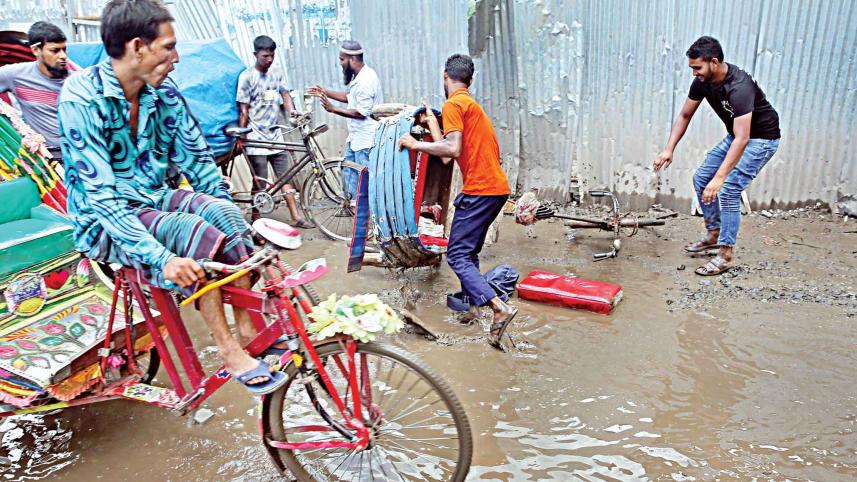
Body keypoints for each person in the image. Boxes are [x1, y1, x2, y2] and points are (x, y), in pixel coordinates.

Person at [58, 0, 286, 394]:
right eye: (168, 47)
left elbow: (198, 163)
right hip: (103, 221)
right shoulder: (81, 99)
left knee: (225, 216)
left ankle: (248, 325)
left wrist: (230, 222)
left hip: (153, 197)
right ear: (136, 47)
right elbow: (103, 199)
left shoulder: (164, 94)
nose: (176, 58)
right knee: (190, 232)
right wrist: (163, 259)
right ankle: (227, 347)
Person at [397, 54, 517, 348]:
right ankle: (472, 308)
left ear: (444, 75)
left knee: (457, 256)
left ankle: (498, 309)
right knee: (469, 254)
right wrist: (431, 125)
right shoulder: (469, 106)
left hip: (481, 190)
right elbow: (449, 153)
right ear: (470, 80)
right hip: (496, 190)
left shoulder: (453, 104)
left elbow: (450, 148)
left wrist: (415, 143)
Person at [654, 36, 781, 276]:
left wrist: (721, 176)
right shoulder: (702, 82)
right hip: (737, 136)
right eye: (692, 68)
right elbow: (684, 116)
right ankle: (714, 233)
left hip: (762, 139)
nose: (694, 73)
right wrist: (669, 148)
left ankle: (725, 254)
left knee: (729, 189)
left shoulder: (739, 86)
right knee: (702, 178)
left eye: (697, 67)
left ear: (714, 62)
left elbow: (743, 139)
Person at [236, 35, 313, 228]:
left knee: (285, 177)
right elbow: (243, 109)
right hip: (256, 139)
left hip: (275, 135)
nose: (269, 60)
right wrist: (242, 136)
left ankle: (295, 216)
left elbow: (285, 94)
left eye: (272, 55)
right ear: (255, 55)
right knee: (260, 182)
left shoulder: (277, 73)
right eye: (265, 56)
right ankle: (255, 216)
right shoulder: (246, 77)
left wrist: (292, 111)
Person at [307, 40, 383, 202]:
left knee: (365, 183)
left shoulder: (365, 80)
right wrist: (325, 92)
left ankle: (364, 219)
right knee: (350, 177)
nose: (340, 63)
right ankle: (354, 214)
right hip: (356, 138)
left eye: (342, 59)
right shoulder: (360, 77)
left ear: (352, 59)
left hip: (366, 141)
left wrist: (333, 109)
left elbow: (362, 112)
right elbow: (350, 98)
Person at [0, 21, 70, 160]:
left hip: (80, 156)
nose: (63, 56)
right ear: (35, 50)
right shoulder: (15, 75)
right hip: (45, 160)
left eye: (64, 49)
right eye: (55, 51)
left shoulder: (78, 80)